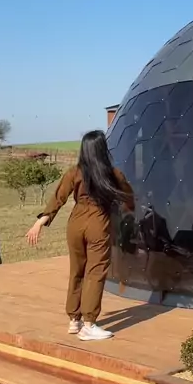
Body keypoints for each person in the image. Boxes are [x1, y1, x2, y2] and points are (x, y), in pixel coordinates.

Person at [26, 130, 134, 341]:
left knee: (77, 270)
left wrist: (40, 222)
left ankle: (74, 320)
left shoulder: (74, 172)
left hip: (75, 224)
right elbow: (129, 198)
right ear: (102, 149)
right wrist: (129, 214)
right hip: (99, 224)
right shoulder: (113, 174)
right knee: (95, 273)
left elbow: (58, 198)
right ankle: (89, 325)